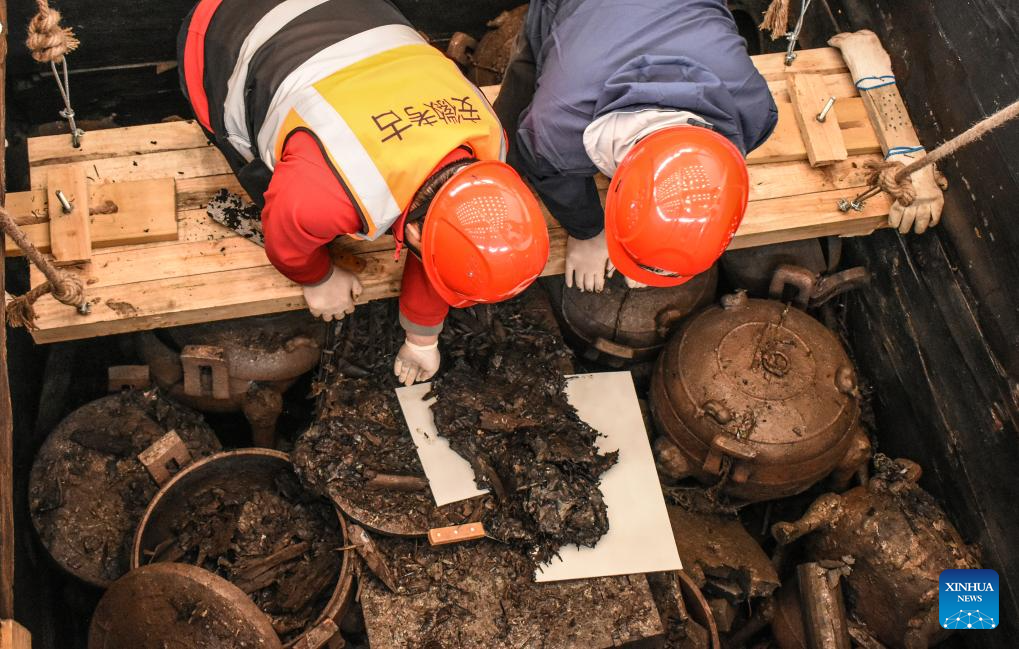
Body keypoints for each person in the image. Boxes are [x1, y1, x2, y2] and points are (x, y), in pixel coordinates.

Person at [178, 0, 549, 386]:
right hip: (221, 26)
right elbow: (285, 238)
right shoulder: (323, 195)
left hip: (351, 15)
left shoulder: (491, 146)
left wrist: (423, 337)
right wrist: (317, 277)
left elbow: (445, 228)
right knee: (255, 165)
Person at [495, 0, 778, 292]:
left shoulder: (755, 107)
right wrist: (588, 232)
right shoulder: (556, 129)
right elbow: (546, 168)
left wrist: (654, 253)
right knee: (526, 79)